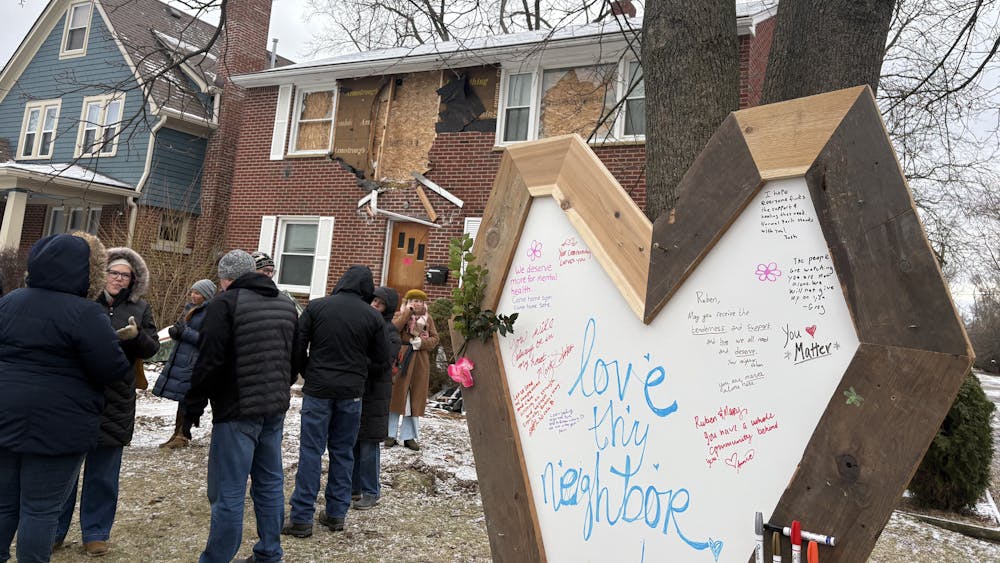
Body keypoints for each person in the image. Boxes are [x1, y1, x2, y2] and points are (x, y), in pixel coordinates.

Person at [0, 233, 132, 563]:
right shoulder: (86, 313)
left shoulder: (10, 301)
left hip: (4, 416)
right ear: (88, 272)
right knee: (40, 509)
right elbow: (112, 368)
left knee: (3, 503)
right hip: (58, 427)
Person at [184, 250, 298, 563]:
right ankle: (270, 552)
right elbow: (296, 358)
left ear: (226, 278)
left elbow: (210, 361)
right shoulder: (286, 304)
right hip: (273, 407)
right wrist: (277, 387)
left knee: (228, 490)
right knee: (270, 481)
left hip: (236, 409)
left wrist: (192, 406)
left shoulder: (225, 302)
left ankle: (217, 558)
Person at [56, 246, 159, 556]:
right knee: (63, 473)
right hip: (78, 394)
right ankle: (54, 530)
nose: (117, 279)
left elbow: (152, 347)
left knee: (104, 473)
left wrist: (136, 336)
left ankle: (96, 533)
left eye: (124, 275)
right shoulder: (81, 302)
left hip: (117, 398)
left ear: (132, 280)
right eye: (112, 272)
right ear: (101, 274)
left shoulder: (140, 308)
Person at [283, 266, 388, 537]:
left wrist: (307, 371)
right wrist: (358, 372)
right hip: (351, 393)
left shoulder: (317, 308)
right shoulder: (372, 317)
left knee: (310, 452)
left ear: (341, 282)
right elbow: (382, 362)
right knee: (342, 453)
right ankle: (336, 513)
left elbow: (298, 345)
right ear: (367, 289)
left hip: (318, 391)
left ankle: (302, 517)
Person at [351, 287, 401, 510]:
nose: (374, 306)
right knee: (353, 443)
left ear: (387, 308)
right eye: (373, 301)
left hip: (376, 395)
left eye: (380, 304)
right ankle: (354, 487)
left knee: (369, 445)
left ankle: (371, 490)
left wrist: (356, 361)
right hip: (358, 392)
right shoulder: (364, 325)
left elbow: (381, 364)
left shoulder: (390, 333)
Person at [152, 279, 217, 448]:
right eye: (192, 292)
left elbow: (207, 340)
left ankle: (183, 434)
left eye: (197, 293)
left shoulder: (210, 312)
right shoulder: (191, 309)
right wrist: (176, 332)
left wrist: (185, 332)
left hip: (194, 362)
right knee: (183, 398)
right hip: (182, 359)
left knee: (188, 399)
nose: (193, 296)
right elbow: (184, 331)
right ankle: (177, 433)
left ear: (207, 295)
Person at [387, 289, 439, 451]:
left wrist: (422, 344)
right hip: (402, 358)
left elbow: (435, 338)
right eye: (413, 300)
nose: (417, 303)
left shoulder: (428, 318)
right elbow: (394, 328)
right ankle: (389, 434)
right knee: (396, 396)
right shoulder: (399, 314)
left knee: (414, 399)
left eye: (420, 301)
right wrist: (406, 314)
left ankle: (409, 437)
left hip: (419, 361)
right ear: (407, 302)